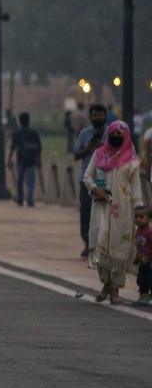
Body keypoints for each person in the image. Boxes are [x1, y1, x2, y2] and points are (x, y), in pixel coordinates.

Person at [82, 120, 144, 304]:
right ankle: (105, 283)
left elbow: (136, 189)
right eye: (113, 134)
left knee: (119, 247)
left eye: (120, 135)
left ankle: (115, 289)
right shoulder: (99, 155)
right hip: (101, 207)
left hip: (123, 210)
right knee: (102, 242)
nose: (116, 138)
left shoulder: (132, 161)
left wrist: (140, 213)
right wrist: (95, 189)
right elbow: (87, 176)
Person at [74, 104, 109, 257]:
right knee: (86, 210)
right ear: (90, 117)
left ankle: (102, 244)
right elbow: (76, 155)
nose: (98, 118)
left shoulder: (111, 133)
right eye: (95, 115)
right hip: (86, 180)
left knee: (105, 212)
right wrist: (88, 148)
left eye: (100, 115)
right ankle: (88, 242)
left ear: (105, 116)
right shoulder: (84, 133)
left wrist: (102, 147)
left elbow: (118, 153)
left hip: (105, 179)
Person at [7, 112, 42, 207]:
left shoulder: (17, 133)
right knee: (31, 181)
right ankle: (30, 199)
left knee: (20, 180)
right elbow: (39, 148)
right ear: (28, 121)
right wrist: (39, 160)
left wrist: (9, 160)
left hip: (21, 159)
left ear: (20, 122)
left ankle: (20, 199)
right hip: (31, 159)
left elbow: (12, 148)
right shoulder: (34, 133)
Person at [133, 206, 152, 306]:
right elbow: (140, 247)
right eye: (136, 217)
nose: (138, 219)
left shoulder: (149, 232)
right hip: (142, 261)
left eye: (141, 217)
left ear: (149, 219)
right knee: (141, 278)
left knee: (149, 278)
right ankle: (143, 295)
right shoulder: (138, 231)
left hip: (149, 261)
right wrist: (137, 257)